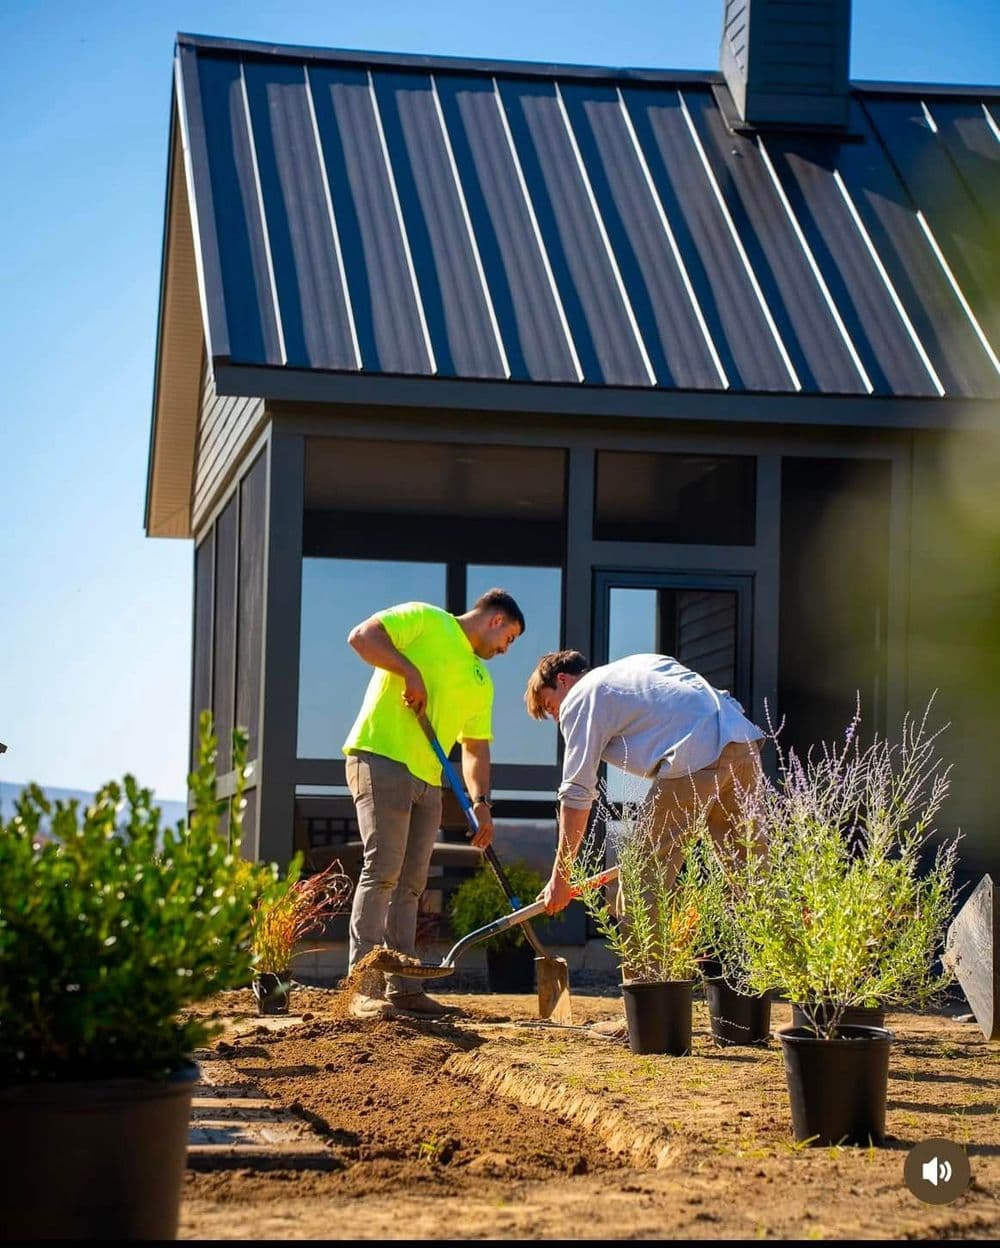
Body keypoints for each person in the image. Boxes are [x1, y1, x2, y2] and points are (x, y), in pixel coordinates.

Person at [524, 650, 764, 1037]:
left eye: (550, 706)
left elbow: (576, 795)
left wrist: (561, 877)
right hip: (740, 740)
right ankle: (802, 990)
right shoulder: (635, 668)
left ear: (564, 681)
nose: (556, 718)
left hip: (695, 752)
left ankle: (644, 1012)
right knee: (754, 876)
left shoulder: (583, 696)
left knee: (639, 884)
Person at [343, 589, 525, 1020]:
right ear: (495, 620)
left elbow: (476, 748)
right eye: (509, 639)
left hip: (429, 779)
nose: (504, 649)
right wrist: (409, 671)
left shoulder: (481, 680)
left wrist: (481, 802)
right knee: (383, 870)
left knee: (411, 884)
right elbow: (361, 637)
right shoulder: (424, 619)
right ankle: (361, 988)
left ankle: (402, 989)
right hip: (380, 756)